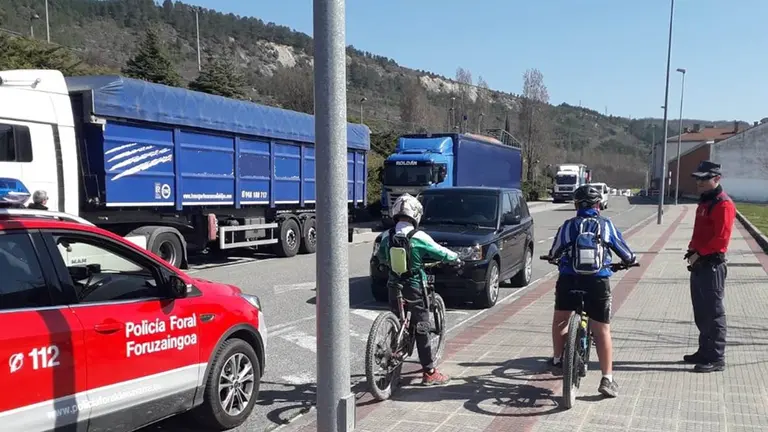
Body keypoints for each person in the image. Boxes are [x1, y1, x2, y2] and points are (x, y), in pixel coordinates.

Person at [544, 184, 636, 398]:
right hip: (598, 280)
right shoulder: (606, 225)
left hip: (570, 278)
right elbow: (625, 253)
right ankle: (607, 379)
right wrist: (629, 261)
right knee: (602, 329)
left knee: (560, 319)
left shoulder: (568, 226)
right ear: (598, 205)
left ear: (576, 205)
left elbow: (554, 251)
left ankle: (558, 360)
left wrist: (554, 258)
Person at [376, 193, 461, 386]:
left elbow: (380, 257)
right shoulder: (418, 236)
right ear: (416, 215)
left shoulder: (386, 236)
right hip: (414, 287)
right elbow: (440, 252)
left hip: (393, 286)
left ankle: (393, 361)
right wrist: (456, 258)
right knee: (422, 326)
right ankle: (429, 372)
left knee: (397, 321)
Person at [683, 160, 735, 373]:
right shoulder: (706, 202)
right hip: (700, 264)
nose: (700, 183)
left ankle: (716, 357)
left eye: (705, 179)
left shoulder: (722, 204)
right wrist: (692, 250)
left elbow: (720, 240)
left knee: (713, 313)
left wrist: (699, 253)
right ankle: (705, 350)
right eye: (698, 179)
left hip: (711, 264)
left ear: (717, 178)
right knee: (701, 311)